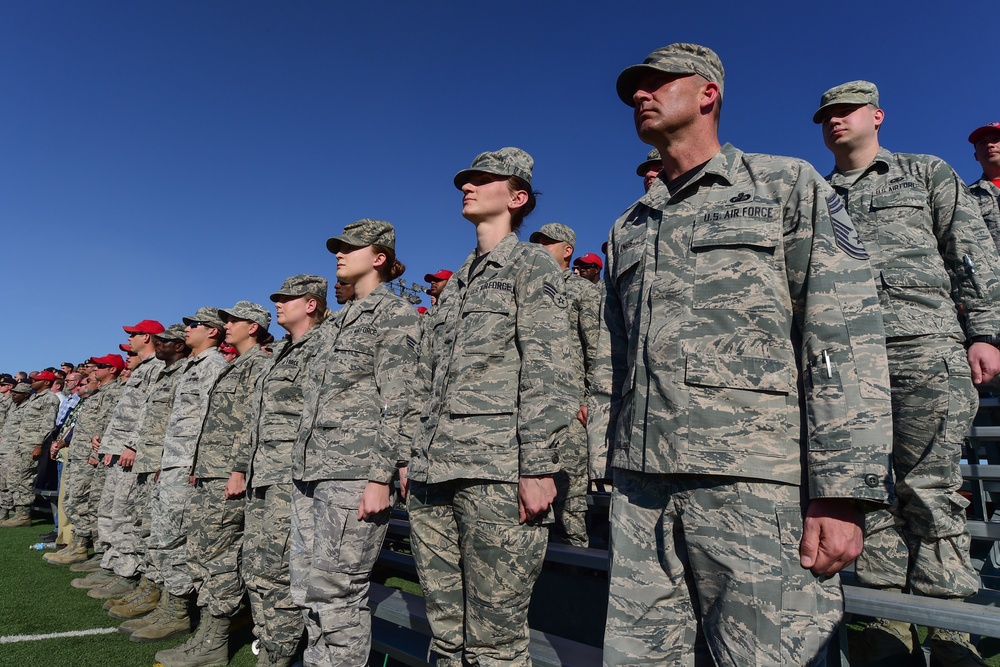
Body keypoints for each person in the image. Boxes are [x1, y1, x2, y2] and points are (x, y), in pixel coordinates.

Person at [602, 44, 893, 665]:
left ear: (708, 93)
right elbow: (615, 359)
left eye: (656, 83)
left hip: (755, 486)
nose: (640, 96)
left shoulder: (783, 184)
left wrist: (842, 491)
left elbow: (841, 331)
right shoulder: (630, 223)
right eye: (635, 89)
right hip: (640, 492)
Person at [815, 80, 1000, 664]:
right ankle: (884, 629)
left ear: (877, 115)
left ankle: (948, 632)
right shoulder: (816, 194)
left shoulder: (924, 173)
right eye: (827, 115)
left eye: (847, 111)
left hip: (926, 346)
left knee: (930, 488)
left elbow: (969, 251)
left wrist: (985, 332)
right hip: (847, 360)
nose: (836, 121)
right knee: (868, 492)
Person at [405, 147, 573, 666]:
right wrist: (412, 456)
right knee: (447, 631)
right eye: (465, 181)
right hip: (435, 471)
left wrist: (539, 466)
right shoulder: (456, 282)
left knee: (495, 637)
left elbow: (549, 369)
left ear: (517, 197)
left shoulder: (532, 266)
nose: (467, 187)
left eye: (482, 180)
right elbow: (427, 376)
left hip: (496, 471)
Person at [291, 219, 420, 666]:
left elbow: (399, 399)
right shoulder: (337, 322)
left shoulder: (394, 313)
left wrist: (380, 476)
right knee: (307, 588)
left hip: (354, 471)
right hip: (310, 470)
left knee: (338, 592)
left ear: (379, 257)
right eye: (337, 248)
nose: (339, 255)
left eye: (350, 248)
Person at [152, 303, 271, 667]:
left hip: (227, 476)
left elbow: (251, 421)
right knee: (201, 551)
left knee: (218, 556)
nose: (227, 325)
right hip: (209, 471)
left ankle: (215, 643)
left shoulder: (258, 365)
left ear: (253, 327)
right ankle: (206, 634)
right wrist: (199, 466)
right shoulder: (236, 364)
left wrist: (237, 468)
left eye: (233, 320)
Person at [244, 274, 329, 667]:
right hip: (261, 472)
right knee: (257, 562)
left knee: (279, 567)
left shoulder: (323, 346)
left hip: (290, 476)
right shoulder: (279, 352)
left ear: (310, 304)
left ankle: (280, 653)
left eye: (287, 298)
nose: (278, 304)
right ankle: (267, 639)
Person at [131, 307, 228, 643]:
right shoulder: (191, 367)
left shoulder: (214, 366)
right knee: (161, 534)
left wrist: (196, 463)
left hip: (187, 464)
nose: (187, 329)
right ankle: (165, 602)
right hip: (171, 461)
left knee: (174, 538)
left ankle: (177, 612)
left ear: (213, 331)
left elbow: (211, 419)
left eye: (194, 325)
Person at [113, 325, 191, 630]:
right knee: (146, 527)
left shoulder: (193, 370)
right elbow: (150, 417)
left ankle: (171, 604)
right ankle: (150, 588)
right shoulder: (162, 372)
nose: (160, 344)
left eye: (166, 341)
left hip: (169, 462)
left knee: (166, 535)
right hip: (152, 459)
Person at [529, 222, 600, 547]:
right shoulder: (527, 288)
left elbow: (596, 347)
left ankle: (579, 574)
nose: (539, 246)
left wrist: (590, 398)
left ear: (567, 250)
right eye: (537, 242)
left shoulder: (582, 291)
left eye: (547, 242)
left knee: (570, 499)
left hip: (569, 409)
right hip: (528, 408)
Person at [89, 319, 166, 600]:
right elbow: (126, 414)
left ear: (146, 337)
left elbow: (150, 411)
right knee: (112, 508)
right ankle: (112, 563)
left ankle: (126, 569)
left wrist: (132, 445)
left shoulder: (157, 366)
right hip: (118, 450)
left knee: (126, 512)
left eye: (133, 336)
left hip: (131, 453)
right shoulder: (143, 369)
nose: (128, 343)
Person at [45, 354, 125, 566]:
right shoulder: (96, 394)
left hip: (91, 458)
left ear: (113, 370)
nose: (95, 369)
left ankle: (88, 549)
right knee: (72, 499)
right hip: (78, 455)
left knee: (86, 502)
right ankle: (77, 543)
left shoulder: (113, 393)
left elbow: (106, 426)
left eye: (101, 366)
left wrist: (94, 454)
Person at [0, 371, 61, 527]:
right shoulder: (34, 398)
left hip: (32, 445)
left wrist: (39, 445)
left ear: (47, 383)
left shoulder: (50, 399)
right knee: (15, 478)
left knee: (24, 479)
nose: (32, 381)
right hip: (21, 444)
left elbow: (48, 424)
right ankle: (20, 512)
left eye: (36, 379)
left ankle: (24, 515)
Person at [968, 121, 1000, 252]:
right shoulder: (966, 196)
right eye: (982, 143)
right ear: (976, 155)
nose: (989, 145)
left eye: (996, 140)